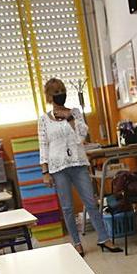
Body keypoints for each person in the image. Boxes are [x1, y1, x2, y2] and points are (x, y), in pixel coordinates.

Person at [37, 78, 122, 256]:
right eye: (56, 93)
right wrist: (45, 171)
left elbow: (82, 135)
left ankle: (104, 239)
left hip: (78, 162)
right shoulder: (44, 119)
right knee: (67, 207)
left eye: (62, 91)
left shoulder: (75, 113)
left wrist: (70, 119)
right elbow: (43, 144)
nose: (60, 95)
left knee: (91, 202)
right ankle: (76, 243)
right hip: (58, 167)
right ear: (49, 97)